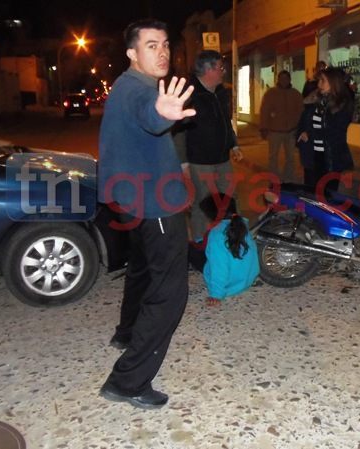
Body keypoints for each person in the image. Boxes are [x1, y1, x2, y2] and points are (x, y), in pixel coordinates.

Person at [97, 19, 196, 409]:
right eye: (151, 45)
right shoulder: (139, 91)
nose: (163, 52)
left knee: (140, 269)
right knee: (170, 291)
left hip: (132, 201)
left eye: (166, 44)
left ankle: (126, 332)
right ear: (132, 53)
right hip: (154, 203)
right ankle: (128, 381)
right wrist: (162, 113)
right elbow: (149, 116)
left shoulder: (126, 85)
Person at [174, 50, 242, 241]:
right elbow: (179, 131)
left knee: (230, 200)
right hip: (199, 162)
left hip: (222, 159)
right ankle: (200, 244)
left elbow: (226, 122)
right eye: (220, 67)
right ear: (208, 69)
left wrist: (234, 144)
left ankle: (230, 241)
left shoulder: (220, 92)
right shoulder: (190, 95)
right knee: (203, 205)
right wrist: (183, 164)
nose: (223, 71)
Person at [188, 194, 259, 306]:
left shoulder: (216, 234)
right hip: (246, 280)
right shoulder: (242, 225)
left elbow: (219, 267)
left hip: (230, 286)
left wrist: (216, 294)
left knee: (189, 249)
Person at [296, 66, 354, 194]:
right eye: (319, 80)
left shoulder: (341, 104)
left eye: (323, 81)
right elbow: (303, 122)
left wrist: (310, 134)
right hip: (312, 156)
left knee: (328, 195)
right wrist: (301, 137)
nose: (319, 84)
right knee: (311, 193)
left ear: (333, 82)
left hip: (331, 157)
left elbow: (336, 131)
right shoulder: (314, 101)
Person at [259, 70, 304, 182]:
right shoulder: (271, 94)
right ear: (278, 79)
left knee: (290, 157)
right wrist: (263, 128)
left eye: (286, 78)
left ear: (290, 79)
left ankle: (288, 179)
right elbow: (264, 111)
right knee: (273, 157)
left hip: (291, 131)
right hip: (275, 131)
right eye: (282, 78)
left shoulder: (295, 94)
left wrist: (299, 127)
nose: (284, 81)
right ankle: (274, 179)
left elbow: (301, 111)